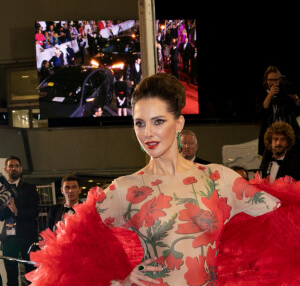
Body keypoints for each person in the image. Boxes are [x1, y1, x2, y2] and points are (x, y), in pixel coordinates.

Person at [27, 73, 283, 285]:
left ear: (179, 123)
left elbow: (286, 221)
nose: (147, 133)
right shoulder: (126, 189)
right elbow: (65, 253)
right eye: (139, 123)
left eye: (158, 121)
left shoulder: (219, 179)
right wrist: (120, 282)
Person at [0, 156, 39, 286]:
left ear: (21, 169)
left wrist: (17, 211)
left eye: (16, 165)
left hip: (27, 238)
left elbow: (34, 212)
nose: (14, 168)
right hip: (8, 239)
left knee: (31, 276)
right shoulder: (1, 190)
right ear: (5, 169)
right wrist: (6, 208)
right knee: (11, 279)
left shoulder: (30, 188)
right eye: (10, 166)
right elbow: (0, 216)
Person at [257, 66, 300, 157]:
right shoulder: (262, 96)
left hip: (289, 136)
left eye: (277, 80)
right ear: (266, 81)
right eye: (271, 80)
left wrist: (295, 98)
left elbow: (297, 111)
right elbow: (260, 113)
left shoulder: (285, 93)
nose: (274, 82)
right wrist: (270, 95)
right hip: (270, 138)